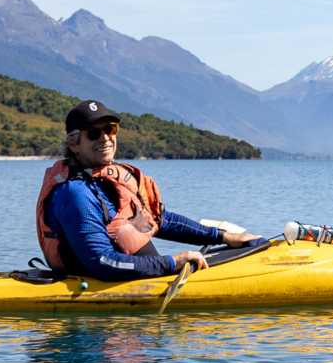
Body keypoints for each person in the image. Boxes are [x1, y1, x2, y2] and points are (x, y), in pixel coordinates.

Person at [34, 99, 260, 280]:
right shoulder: (75, 193)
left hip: (139, 278)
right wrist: (172, 262)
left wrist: (222, 236)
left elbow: (157, 220)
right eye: (94, 133)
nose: (105, 138)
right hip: (98, 289)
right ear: (74, 144)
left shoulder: (108, 180)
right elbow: (102, 262)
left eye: (110, 130)